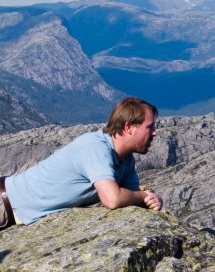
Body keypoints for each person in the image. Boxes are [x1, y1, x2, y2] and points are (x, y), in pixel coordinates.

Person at [0, 96, 163, 230]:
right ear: (129, 127)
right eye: (149, 127)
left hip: (15, 212)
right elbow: (113, 200)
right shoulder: (95, 148)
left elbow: (131, 196)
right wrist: (143, 195)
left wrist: (152, 199)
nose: (155, 133)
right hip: (5, 203)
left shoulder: (126, 160)